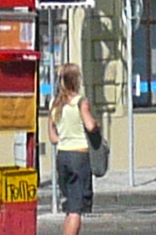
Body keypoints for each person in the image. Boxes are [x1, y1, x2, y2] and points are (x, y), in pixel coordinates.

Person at [52, 68, 103, 235]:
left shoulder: (55, 103)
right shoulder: (81, 102)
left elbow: (53, 137)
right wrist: (96, 125)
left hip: (62, 156)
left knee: (70, 207)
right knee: (77, 209)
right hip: (79, 156)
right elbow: (90, 125)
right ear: (76, 81)